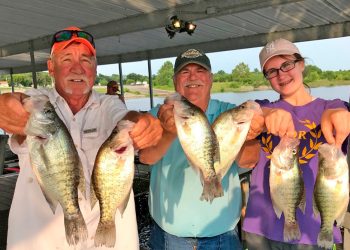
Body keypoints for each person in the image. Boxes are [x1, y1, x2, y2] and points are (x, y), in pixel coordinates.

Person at [0, 26, 163, 250]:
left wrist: (142, 122)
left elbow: (126, 117)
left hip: (109, 242)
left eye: (86, 60)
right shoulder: (40, 102)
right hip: (39, 242)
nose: (77, 69)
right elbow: (16, 102)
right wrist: (5, 104)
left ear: (95, 68)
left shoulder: (109, 104)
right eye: (66, 59)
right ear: (51, 67)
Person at [139, 48, 264, 250]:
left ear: (211, 78)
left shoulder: (229, 113)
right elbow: (145, 157)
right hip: (170, 237)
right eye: (184, 72)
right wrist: (168, 133)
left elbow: (249, 161)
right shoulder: (160, 114)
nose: (192, 77)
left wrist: (245, 136)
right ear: (174, 80)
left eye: (200, 70)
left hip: (223, 235)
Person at [242, 38, 350, 249]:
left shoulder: (332, 105)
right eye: (271, 71)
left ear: (301, 64)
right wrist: (266, 113)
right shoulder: (263, 107)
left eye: (286, 64)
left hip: (314, 230)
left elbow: (342, 113)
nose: (281, 74)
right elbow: (246, 111)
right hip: (261, 227)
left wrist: (341, 114)